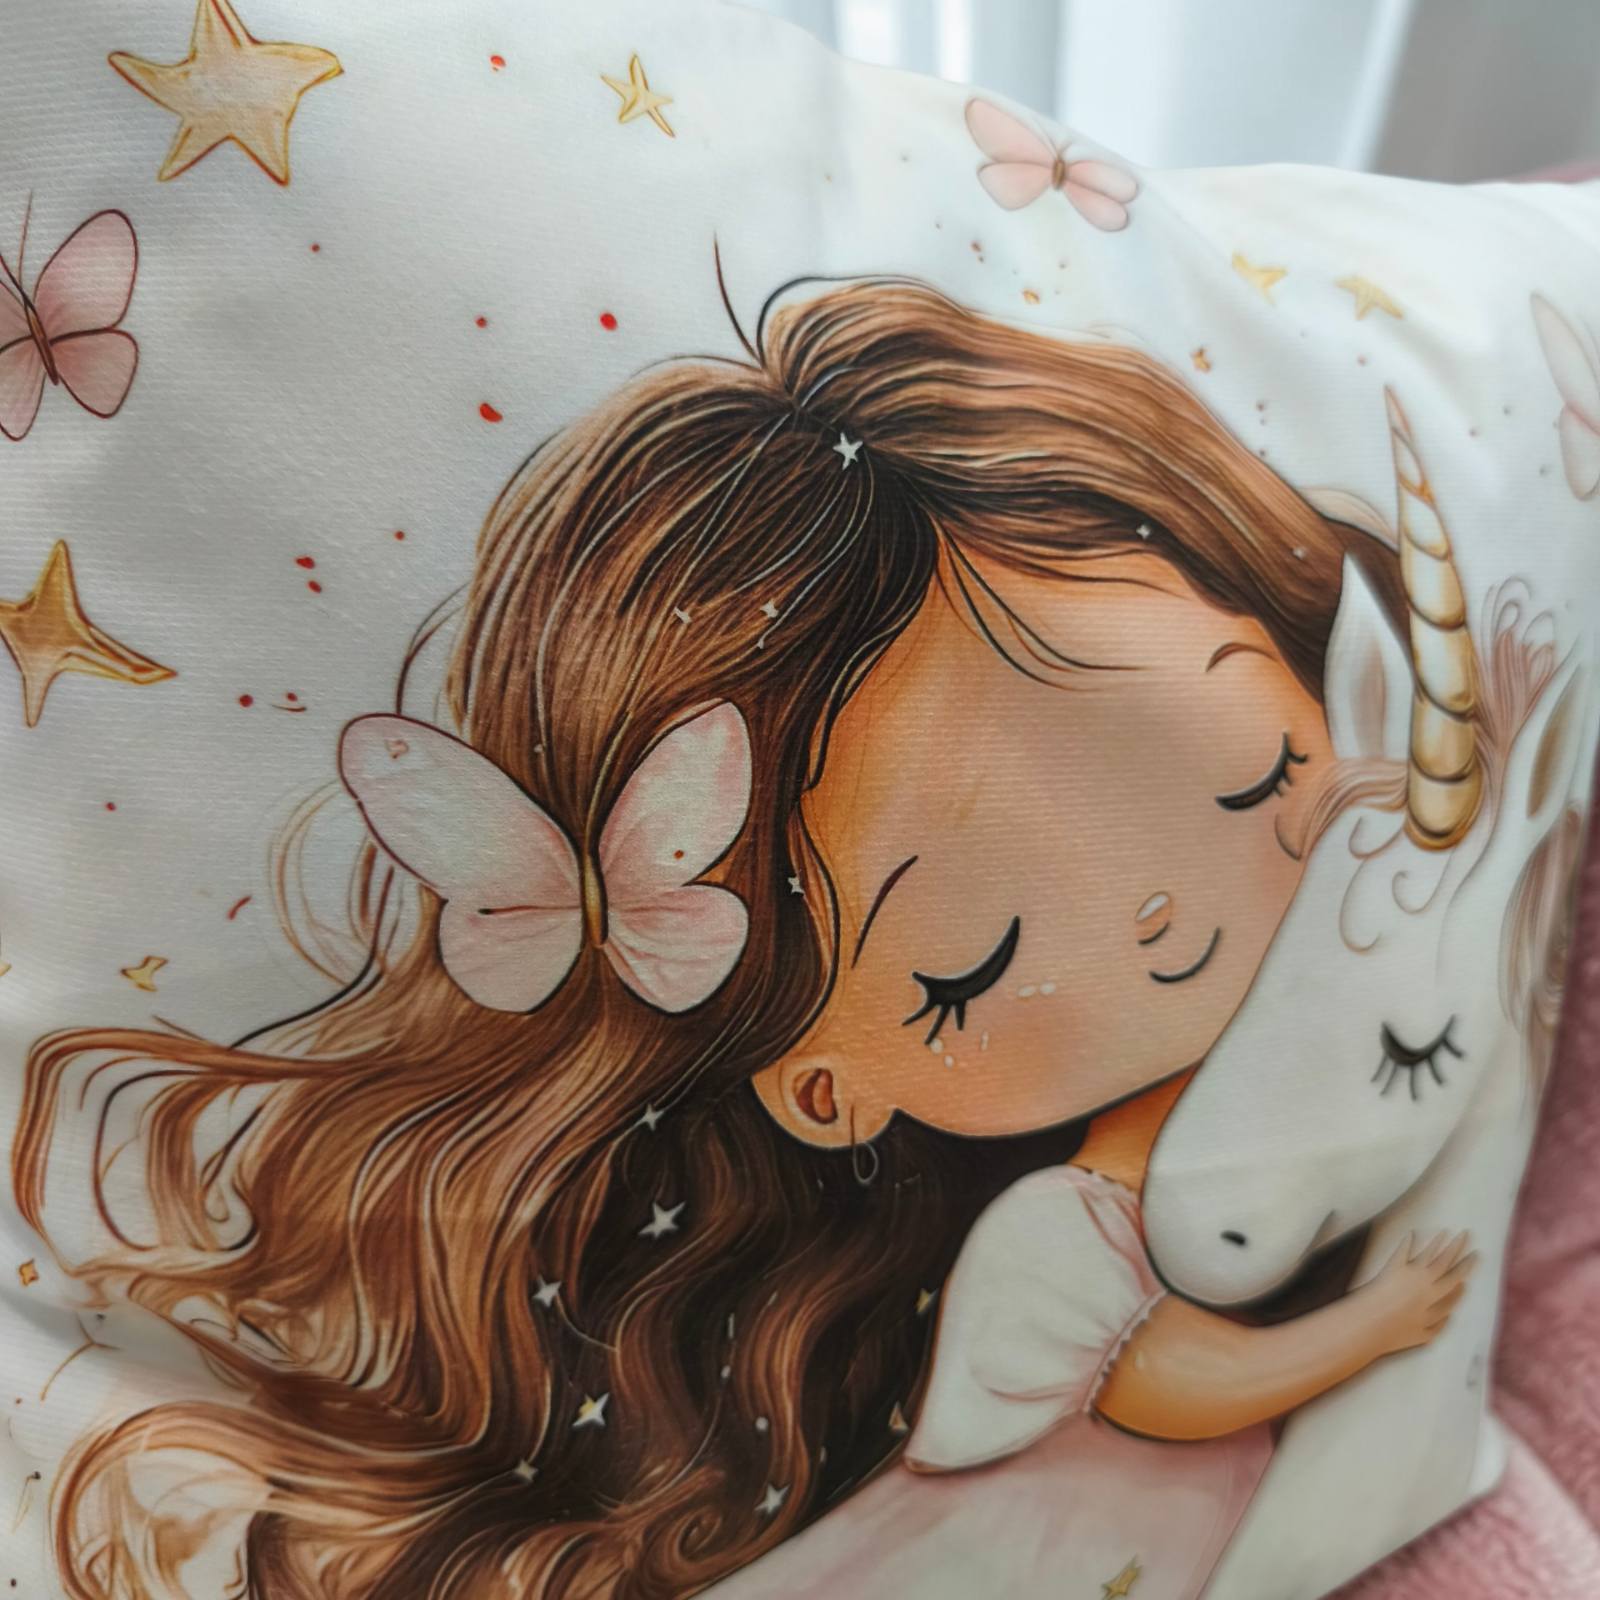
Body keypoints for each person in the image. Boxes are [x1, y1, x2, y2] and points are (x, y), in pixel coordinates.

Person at [14, 279, 1468, 1599]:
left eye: (1255, 777)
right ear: (825, 1085)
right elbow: (1160, 1380)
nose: (1162, 920)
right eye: (968, 969)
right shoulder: (1061, 1233)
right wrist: (1380, 1328)